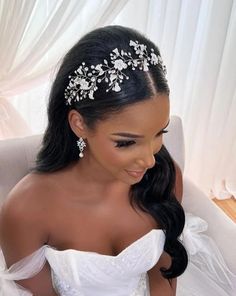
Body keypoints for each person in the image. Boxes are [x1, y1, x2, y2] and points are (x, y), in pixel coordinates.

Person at [0, 25, 235, 296]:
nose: (149, 159)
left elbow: (163, 270)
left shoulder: (164, 177)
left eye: (159, 133)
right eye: (126, 142)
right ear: (79, 124)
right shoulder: (26, 209)